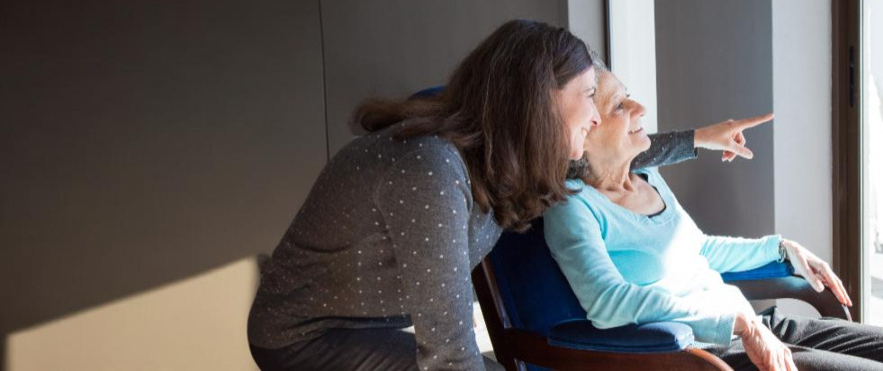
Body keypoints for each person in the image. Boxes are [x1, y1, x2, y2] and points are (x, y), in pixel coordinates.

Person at [247, 19, 769, 371]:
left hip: (375, 318)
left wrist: (698, 140)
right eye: (589, 96)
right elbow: (449, 355)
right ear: (539, 98)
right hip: (305, 335)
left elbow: (606, 154)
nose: (595, 115)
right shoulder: (431, 171)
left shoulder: (506, 158)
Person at [544, 66, 883, 371]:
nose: (639, 107)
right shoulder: (574, 207)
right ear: (585, 130)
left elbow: (700, 250)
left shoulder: (647, 177)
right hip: (705, 354)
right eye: (620, 105)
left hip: (751, 324)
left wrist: (781, 248)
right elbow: (608, 304)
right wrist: (738, 322)